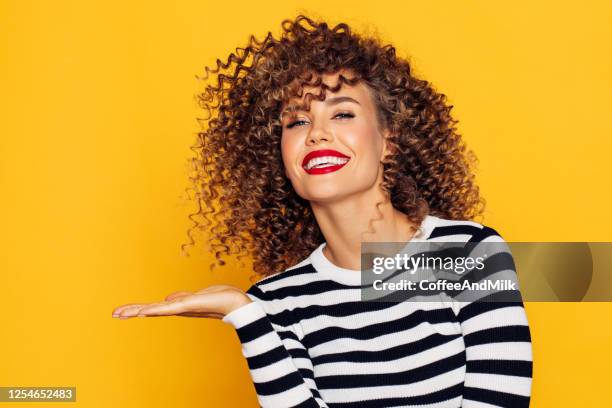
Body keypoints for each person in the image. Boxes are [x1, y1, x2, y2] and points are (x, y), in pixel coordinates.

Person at [112, 15, 532, 407]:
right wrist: (244, 315)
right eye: (296, 122)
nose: (317, 134)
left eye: (343, 113)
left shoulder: (471, 253)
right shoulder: (274, 303)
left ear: (390, 141)